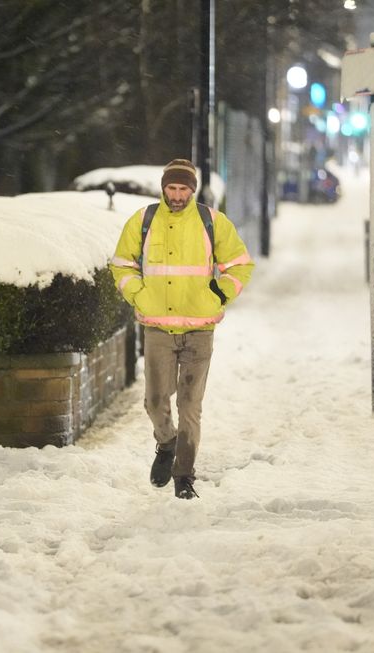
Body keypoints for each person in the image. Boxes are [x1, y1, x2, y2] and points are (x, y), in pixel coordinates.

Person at [109, 159, 254, 499]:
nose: (177, 195)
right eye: (172, 188)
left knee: (190, 405)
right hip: (158, 327)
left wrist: (218, 293)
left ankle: (183, 476)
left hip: (199, 330)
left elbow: (240, 264)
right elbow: (121, 264)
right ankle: (166, 442)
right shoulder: (143, 221)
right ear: (164, 189)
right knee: (155, 401)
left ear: (193, 189)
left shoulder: (211, 222)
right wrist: (138, 294)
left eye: (183, 189)